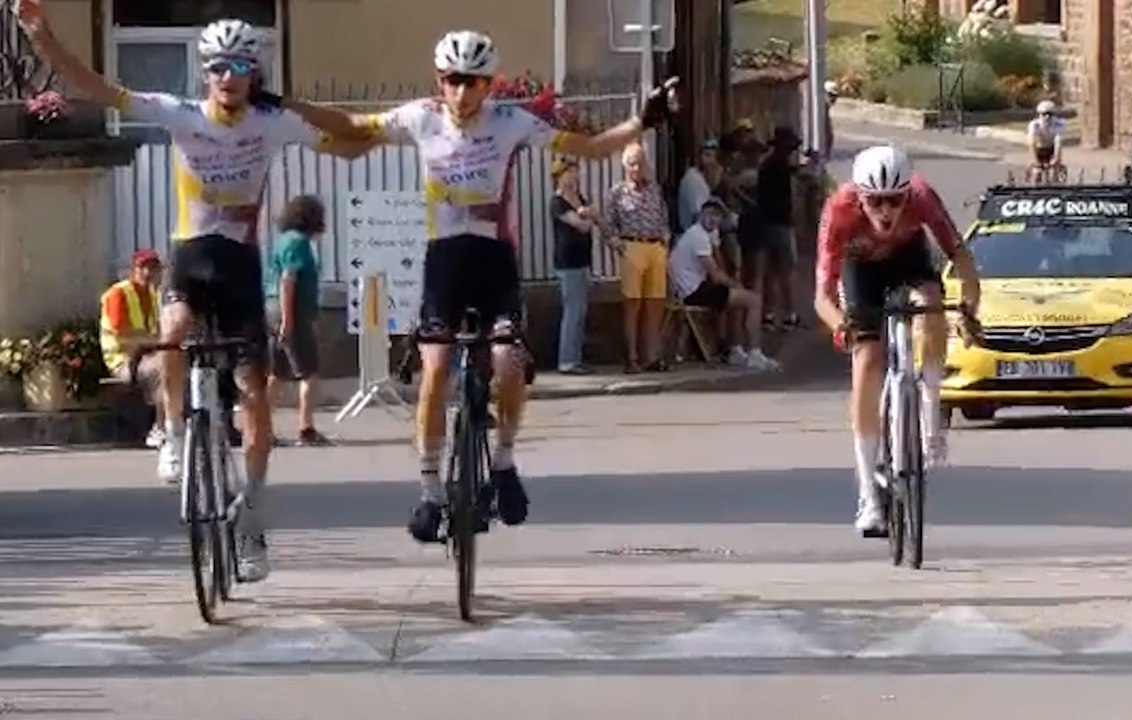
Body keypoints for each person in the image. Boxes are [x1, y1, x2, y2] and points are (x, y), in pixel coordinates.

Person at [274, 30, 680, 544]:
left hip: (494, 262)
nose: (462, 92)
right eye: (452, 80)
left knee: (509, 361)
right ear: (438, 81)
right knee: (435, 370)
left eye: (473, 82)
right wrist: (286, 104)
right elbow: (352, 126)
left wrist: (641, 121)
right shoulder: (419, 117)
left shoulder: (510, 122)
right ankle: (429, 490)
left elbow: (589, 147)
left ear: (488, 85)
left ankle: (505, 462)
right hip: (444, 261)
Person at [15, 2, 371, 582]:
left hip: (239, 267)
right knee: (173, 334)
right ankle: (176, 432)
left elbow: (353, 139)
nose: (226, 76)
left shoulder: (270, 122)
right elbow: (95, 88)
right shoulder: (180, 114)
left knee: (256, 393)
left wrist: (289, 104)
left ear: (255, 72)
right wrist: (44, 38)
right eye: (216, 66)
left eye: (238, 65)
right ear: (203, 73)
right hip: (191, 258)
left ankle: (252, 514)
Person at [813, 146, 982, 534]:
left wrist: (970, 310)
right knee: (867, 359)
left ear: (908, 193)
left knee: (932, 304)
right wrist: (842, 326)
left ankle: (930, 415)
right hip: (861, 273)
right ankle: (869, 497)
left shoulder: (922, 195)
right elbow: (822, 296)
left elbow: (962, 257)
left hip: (908, 259)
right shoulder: (839, 209)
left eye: (895, 200)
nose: (886, 211)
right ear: (860, 196)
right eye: (875, 202)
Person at [668, 198, 777, 370]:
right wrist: (736, 285)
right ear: (701, 214)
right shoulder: (698, 237)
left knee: (737, 300)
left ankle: (735, 349)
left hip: (692, 289)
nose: (713, 219)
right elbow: (716, 275)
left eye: (718, 216)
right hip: (693, 292)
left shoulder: (696, 234)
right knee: (753, 300)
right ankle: (755, 353)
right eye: (710, 214)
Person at [602, 141, 673, 374]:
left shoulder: (654, 189)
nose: (637, 168)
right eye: (633, 163)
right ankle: (632, 357)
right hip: (632, 245)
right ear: (625, 166)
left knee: (655, 303)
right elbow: (608, 224)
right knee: (633, 304)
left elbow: (663, 215)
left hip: (655, 246)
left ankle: (650, 354)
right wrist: (618, 245)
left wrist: (665, 237)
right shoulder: (617, 193)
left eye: (641, 163)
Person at [265, 195, 328, 446]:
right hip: (290, 311)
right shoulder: (298, 243)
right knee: (308, 373)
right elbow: (288, 281)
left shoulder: (284, 241)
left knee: (277, 372)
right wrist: (289, 320)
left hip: (275, 309)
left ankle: (265, 428)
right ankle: (306, 428)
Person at [99, 250, 164, 449]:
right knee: (162, 368)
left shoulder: (154, 296)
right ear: (133, 270)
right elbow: (123, 336)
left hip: (147, 355)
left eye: (153, 268)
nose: (147, 273)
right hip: (123, 360)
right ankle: (161, 426)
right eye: (142, 268)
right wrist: (155, 341)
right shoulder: (118, 294)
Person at [548, 157, 597, 375]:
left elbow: (590, 216)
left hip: (583, 260)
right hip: (568, 262)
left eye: (576, 172)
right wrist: (586, 215)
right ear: (559, 176)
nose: (574, 177)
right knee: (572, 311)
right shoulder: (557, 202)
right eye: (570, 172)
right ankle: (566, 360)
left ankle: (576, 358)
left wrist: (585, 210)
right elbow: (581, 224)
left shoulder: (578, 198)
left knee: (581, 311)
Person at [757, 127, 804, 330]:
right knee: (787, 271)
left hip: (766, 223)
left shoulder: (766, 165)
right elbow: (799, 178)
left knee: (771, 272)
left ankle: (768, 314)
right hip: (782, 224)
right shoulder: (783, 168)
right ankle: (789, 315)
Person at [1026, 99, 1065, 182]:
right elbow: (1031, 143)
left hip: (1052, 148)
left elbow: (1058, 142)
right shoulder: (1034, 125)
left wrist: (1056, 158)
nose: (1047, 117)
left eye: (1050, 114)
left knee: (1053, 173)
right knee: (1037, 173)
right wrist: (1035, 160)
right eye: (1044, 114)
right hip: (1039, 149)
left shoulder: (1059, 123)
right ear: (1039, 115)